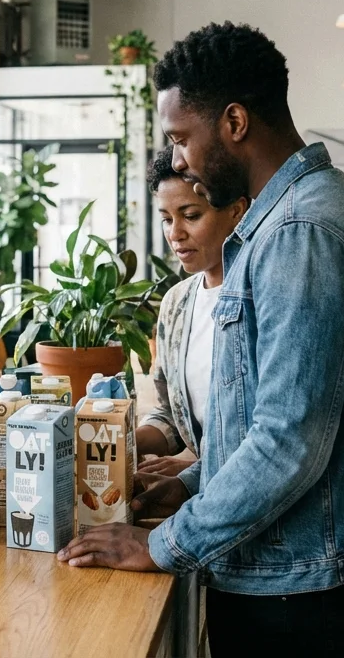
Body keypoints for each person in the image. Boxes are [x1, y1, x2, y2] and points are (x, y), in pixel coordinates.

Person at [59, 22, 344, 654]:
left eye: (180, 137)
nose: (178, 160)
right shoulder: (295, 217)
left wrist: (162, 543)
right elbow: (261, 418)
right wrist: (193, 484)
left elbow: (288, 441)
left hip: (304, 581)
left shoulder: (300, 231)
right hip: (308, 568)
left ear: (234, 122)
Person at [135, 147, 247, 478]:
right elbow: (170, 414)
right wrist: (116, 443)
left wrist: (194, 473)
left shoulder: (263, 298)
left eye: (191, 216)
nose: (175, 233)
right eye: (167, 219)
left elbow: (269, 435)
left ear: (236, 211)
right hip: (208, 490)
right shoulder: (176, 304)